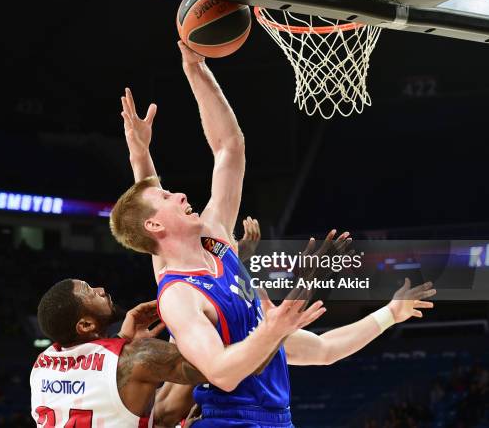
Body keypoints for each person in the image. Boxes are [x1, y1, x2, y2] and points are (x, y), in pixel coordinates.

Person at [111, 42, 437, 427]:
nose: (180, 193)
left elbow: (230, 149)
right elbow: (221, 371)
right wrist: (274, 327)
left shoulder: (217, 242)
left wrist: (196, 69)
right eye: (167, 196)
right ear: (156, 226)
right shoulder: (179, 295)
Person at [30, 279, 312, 428]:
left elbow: (95, 382)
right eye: (90, 291)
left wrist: (122, 340)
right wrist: (279, 326)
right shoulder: (137, 358)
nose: (101, 289)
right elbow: (233, 368)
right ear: (86, 325)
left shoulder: (42, 366)